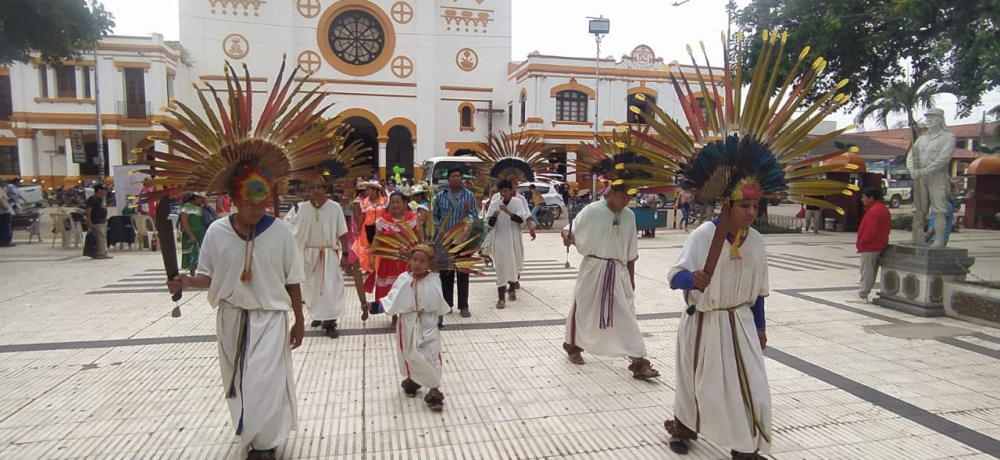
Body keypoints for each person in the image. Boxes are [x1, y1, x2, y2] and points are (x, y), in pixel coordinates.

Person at [167, 164, 306, 460]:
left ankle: (265, 444)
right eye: (248, 203)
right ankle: (251, 433)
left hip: (270, 317)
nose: (256, 209)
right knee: (239, 382)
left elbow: (293, 280)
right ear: (234, 200)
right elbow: (207, 276)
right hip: (231, 317)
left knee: (264, 381)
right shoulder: (217, 232)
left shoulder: (281, 232)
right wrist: (187, 281)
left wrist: (300, 320)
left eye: (261, 203)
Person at [665, 192, 772, 459]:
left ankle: (744, 445)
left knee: (754, 388)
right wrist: (693, 279)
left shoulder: (756, 241)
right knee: (698, 386)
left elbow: (758, 291)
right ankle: (684, 426)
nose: (750, 212)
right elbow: (675, 276)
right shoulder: (703, 235)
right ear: (728, 206)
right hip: (705, 321)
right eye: (744, 205)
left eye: (755, 206)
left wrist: (760, 326)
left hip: (741, 322)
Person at [560, 185, 659, 379]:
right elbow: (569, 230)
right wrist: (567, 236)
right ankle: (572, 344)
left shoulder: (629, 216)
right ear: (611, 193)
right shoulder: (592, 210)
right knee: (584, 309)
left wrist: (631, 277)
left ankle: (638, 361)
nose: (625, 202)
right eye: (622, 197)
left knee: (627, 314)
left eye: (628, 198)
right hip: (593, 268)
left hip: (618, 272)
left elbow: (631, 251)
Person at [289, 178, 351, 338]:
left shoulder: (334, 208)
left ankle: (330, 321)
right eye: (312, 187)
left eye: (319, 187)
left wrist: (345, 254)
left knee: (330, 289)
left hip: (328, 254)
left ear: (325, 189)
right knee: (312, 289)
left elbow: (342, 233)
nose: (315, 191)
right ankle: (318, 315)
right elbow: (294, 231)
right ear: (308, 191)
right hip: (309, 255)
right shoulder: (302, 209)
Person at [368, 192, 422, 326]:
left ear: (405, 203)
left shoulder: (414, 218)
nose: (395, 205)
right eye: (393, 202)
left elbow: (421, 239)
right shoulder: (383, 221)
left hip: (409, 262)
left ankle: (408, 313)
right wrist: (372, 256)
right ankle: (394, 316)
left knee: (408, 287)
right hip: (389, 261)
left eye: (398, 202)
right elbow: (377, 239)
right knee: (392, 289)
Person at [433, 168, 477, 320]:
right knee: (446, 272)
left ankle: (464, 305)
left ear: (462, 178)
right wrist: (440, 229)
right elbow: (435, 216)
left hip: (464, 240)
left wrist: (469, 210)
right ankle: (447, 304)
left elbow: (475, 217)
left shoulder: (469, 195)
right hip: (445, 241)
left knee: (463, 272)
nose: (456, 178)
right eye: (453, 176)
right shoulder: (440, 196)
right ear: (449, 179)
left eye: (459, 176)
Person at [907, 108, 954, 248]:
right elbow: (911, 156)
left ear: (940, 119)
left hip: (937, 176)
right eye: (927, 118)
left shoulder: (948, 137)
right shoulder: (921, 139)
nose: (929, 120)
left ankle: (939, 240)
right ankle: (916, 236)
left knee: (939, 208)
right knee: (918, 208)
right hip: (920, 177)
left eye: (932, 118)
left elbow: (944, 159)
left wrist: (925, 171)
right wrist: (912, 170)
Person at [487, 180, 528, 309]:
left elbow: (522, 220)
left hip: (514, 238)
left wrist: (509, 213)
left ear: (511, 191)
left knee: (513, 263)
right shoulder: (494, 204)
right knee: (501, 266)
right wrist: (493, 217)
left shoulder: (517, 202)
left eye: (506, 191)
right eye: (501, 191)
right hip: (500, 239)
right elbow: (488, 224)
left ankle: (512, 288)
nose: (503, 194)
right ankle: (501, 298)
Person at [848, 188, 891, 304]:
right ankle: (863, 293)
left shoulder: (874, 211)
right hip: (877, 244)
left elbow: (870, 231)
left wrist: (862, 243)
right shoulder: (881, 209)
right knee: (870, 271)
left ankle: (862, 295)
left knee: (867, 271)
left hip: (870, 246)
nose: (862, 199)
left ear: (871, 198)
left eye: (864, 197)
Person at [352, 180, 386, 273]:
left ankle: (379, 267)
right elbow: (362, 216)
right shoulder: (365, 202)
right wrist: (358, 230)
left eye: (369, 189)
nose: (367, 191)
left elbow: (387, 214)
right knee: (368, 248)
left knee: (380, 247)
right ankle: (369, 268)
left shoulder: (384, 201)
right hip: (367, 228)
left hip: (381, 229)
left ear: (375, 190)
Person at [180, 192, 209, 275]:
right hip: (191, 233)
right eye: (201, 198)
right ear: (195, 197)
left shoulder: (200, 208)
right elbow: (184, 221)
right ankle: (192, 274)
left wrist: (205, 205)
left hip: (201, 233)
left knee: (202, 253)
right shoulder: (187, 206)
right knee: (193, 254)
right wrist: (191, 235)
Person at [85, 184, 112, 260]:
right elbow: (88, 210)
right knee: (100, 237)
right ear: (99, 190)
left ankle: (102, 251)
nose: (105, 192)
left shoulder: (101, 199)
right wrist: (89, 221)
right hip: (96, 221)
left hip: (102, 220)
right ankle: (100, 253)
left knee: (102, 237)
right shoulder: (92, 199)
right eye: (104, 190)